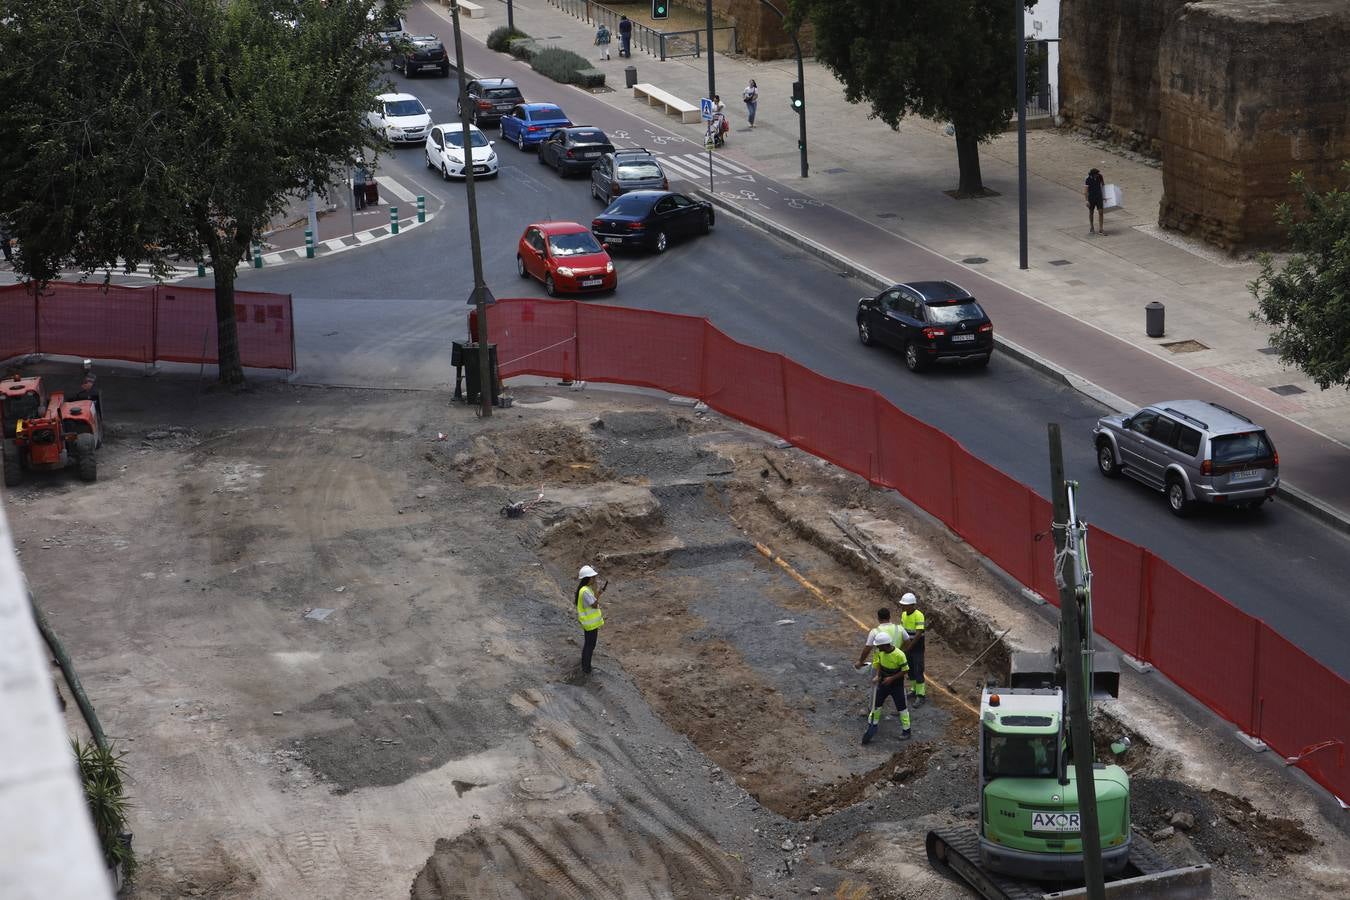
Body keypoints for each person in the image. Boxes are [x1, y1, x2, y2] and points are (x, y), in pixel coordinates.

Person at [863, 632, 911, 743]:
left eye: (879, 646)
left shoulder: (899, 655)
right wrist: (878, 676)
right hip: (883, 683)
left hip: (896, 685)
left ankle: (906, 730)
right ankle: (872, 725)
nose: (877, 647)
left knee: (902, 708)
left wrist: (892, 678)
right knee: (877, 705)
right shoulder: (881, 652)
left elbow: (905, 670)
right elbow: (879, 664)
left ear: (885, 645)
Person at [900, 591, 928, 707]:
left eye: (904, 605)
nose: (902, 606)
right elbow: (902, 632)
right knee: (910, 669)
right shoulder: (903, 615)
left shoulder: (919, 615)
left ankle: (921, 695)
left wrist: (909, 647)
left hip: (917, 648)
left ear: (911, 605)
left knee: (918, 669)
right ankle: (914, 690)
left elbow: (918, 634)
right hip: (908, 647)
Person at [576, 564, 605, 674]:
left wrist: (598, 592)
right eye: (593, 577)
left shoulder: (585, 589)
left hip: (590, 623)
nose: (594, 579)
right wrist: (599, 594)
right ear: (588, 578)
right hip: (590, 624)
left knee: (589, 645)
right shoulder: (585, 591)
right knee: (589, 646)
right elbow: (594, 604)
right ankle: (586, 669)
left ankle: (586, 667)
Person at [1084, 167, 1106, 235]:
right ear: (1092, 174)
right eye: (1096, 174)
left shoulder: (1100, 176)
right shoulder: (1087, 179)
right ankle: (1092, 227)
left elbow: (1103, 186)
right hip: (1091, 197)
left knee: (1101, 212)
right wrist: (1086, 200)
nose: (1097, 175)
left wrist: (1104, 196)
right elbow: (1086, 191)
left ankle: (1101, 229)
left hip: (1099, 197)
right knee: (1091, 212)